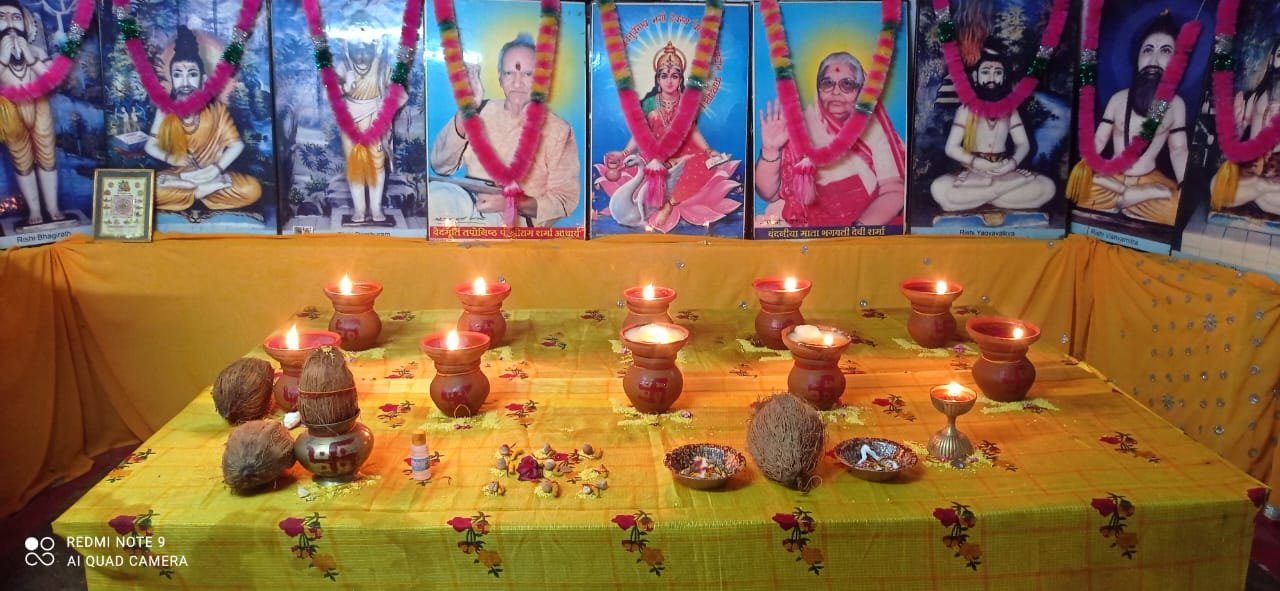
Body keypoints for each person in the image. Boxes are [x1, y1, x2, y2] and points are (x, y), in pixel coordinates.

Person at [430, 33, 580, 227]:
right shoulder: (481, 111)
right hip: (470, 207)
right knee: (437, 194)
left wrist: (511, 204)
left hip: (517, 225)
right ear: (500, 77)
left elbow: (564, 201)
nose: (517, 83)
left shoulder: (559, 130)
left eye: (528, 74)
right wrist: (466, 110)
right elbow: (440, 166)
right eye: (509, 73)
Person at [595, 42, 740, 232]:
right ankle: (650, 204)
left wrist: (708, 150)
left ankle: (669, 203)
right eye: (664, 76)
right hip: (653, 150)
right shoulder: (649, 103)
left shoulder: (687, 103)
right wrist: (625, 153)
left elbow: (693, 131)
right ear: (658, 79)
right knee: (638, 169)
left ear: (680, 80)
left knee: (701, 165)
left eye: (674, 76)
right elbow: (639, 132)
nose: (669, 81)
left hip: (684, 149)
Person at [754, 51, 907, 227]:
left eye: (847, 84)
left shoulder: (874, 128)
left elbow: (894, 191)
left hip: (865, 225)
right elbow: (769, 194)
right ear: (818, 88)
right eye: (827, 83)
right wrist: (770, 150)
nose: (836, 92)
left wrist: (855, 232)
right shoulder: (801, 127)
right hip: (809, 230)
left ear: (861, 91)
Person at [1067, 10, 1189, 226]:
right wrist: (1084, 167)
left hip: (1150, 178)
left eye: (1165, 51)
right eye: (1148, 50)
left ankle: (1123, 198)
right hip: (1112, 175)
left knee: (1178, 208)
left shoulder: (1176, 104)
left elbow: (1178, 149)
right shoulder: (1118, 99)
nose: (1153, 60)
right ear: (1138, 58)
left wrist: (1183, 184)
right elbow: (1100, 139)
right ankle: (1131, 196)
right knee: (1077, 192)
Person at [143, 25, 261, 215]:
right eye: (178, 75)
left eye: (192, 74)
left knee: (252, 189)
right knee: (147, 191)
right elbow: (150, 146)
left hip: (212, 173)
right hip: (179, 173)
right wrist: (172, 158)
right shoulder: (165, 110)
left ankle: (194, 189)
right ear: (172, 78)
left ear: (203, 79)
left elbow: (236, 145)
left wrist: (215, 169)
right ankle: (199, 191)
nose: (185, 82)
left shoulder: (216, 109)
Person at [929, 44, 1055, 215]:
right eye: (986, 72)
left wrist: (1011, 164)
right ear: (975, 75)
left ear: (1004, 77)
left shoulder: (1010, 110)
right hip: (974, 172)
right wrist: (977, 163)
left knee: (1048, 187)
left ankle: (982, 197)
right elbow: (951, 148)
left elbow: (1023, 144)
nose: (992, 78)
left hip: (1003, 170)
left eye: (998, 73)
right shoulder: (966, 110)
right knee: (939, 188)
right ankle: (1000, 193)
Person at [338, 14, 407, 225]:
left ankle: (376, 208)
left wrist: (385, 109)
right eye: (356, 48)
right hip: (350, 121)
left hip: (375, 120)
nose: (361, 55)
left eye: (366, 48)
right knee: (355, 164)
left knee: (377, 164)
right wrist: (344, 87)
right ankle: (359, 209)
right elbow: (328, 95)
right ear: (347, 47)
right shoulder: (343, 67)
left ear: (375, 46)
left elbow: (401, 96)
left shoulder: (382, 68)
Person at [0, 0, 62, 226]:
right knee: (21, 159)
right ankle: (34, 210)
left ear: (26, 24)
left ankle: (53, 208)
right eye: (2, 17)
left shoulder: (37, 51)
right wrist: (3, 57)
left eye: (16, 17)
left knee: (47, 155)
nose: (10, 23)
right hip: (10, 110)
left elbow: (51, 81)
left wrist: (30, 57)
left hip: (40, 105)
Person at [1212, 38, 1280, 215]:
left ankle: (1256, 193)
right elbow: (1240, 136)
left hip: (1277, 168)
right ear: (1272, 59)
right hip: (1252, 163)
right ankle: (1260, 191)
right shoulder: (1255, 96)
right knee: (1215, 186)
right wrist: (1237, 126)